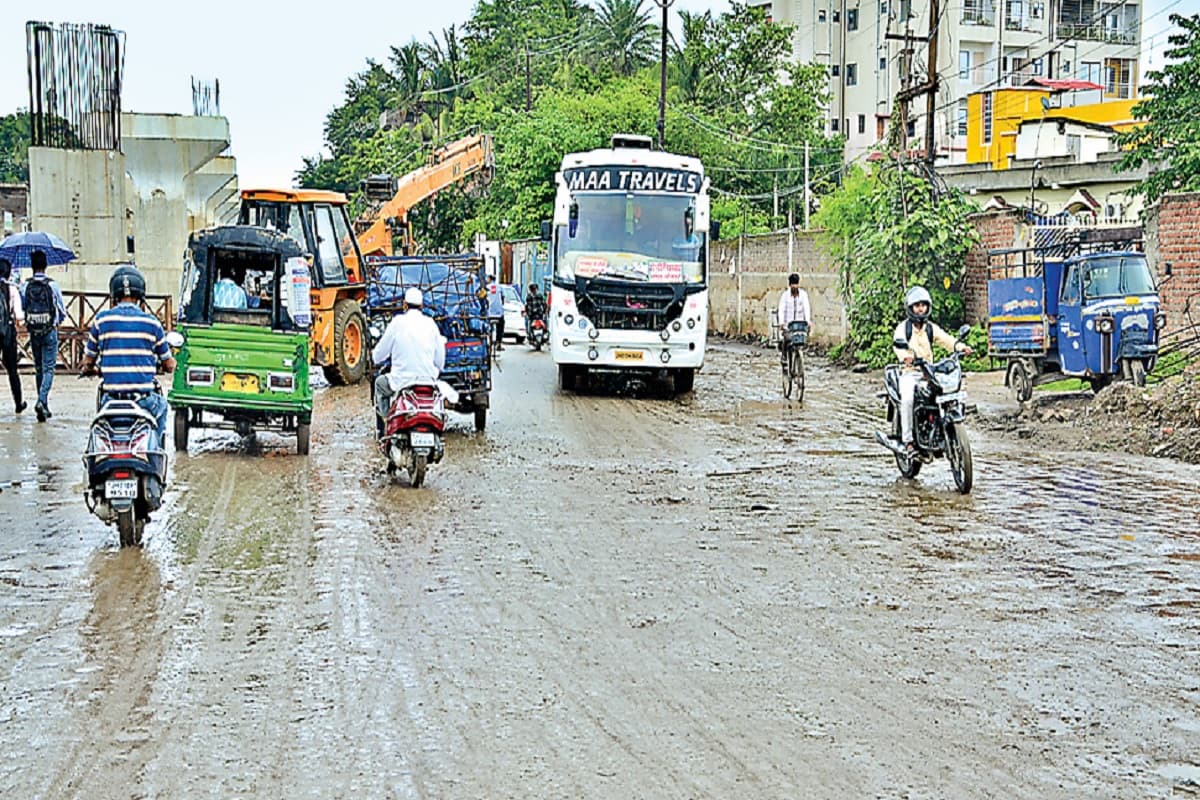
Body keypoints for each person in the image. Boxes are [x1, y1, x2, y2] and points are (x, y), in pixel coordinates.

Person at [80, 265, 176, 442]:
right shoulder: (152, 323)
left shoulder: (101, 320)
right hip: (144, 402)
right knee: (162, 406)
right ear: (140, 295)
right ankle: (156, 451)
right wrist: (171, 362)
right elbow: (169, 365)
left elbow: (88, 361)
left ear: (114, 294)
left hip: (110, 401)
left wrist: (89, 369)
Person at [892, 286, 972, 456]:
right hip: (910, 372)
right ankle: (908, 442)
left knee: (947, 394)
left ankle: (943, 430)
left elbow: (946, 339)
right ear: (910, 308)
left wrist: (960, 346)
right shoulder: (903, 328)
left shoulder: (930, 328)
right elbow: (898, 345)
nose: (920, 308)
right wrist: (905, 356)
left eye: (923, 305)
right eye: (917, 305)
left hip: (928, 372)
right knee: (907, 399)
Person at [372, 287, 446, 436]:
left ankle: (385, 426)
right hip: (428, 380)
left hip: (401, 381)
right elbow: (440, 361)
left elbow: (379, 355)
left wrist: (374, 356)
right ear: (422, 306)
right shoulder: (431, 324)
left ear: (404, 305)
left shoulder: (397, 323)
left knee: (379, 385)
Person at [22, 249, 69, 421]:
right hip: (50, 330)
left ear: (32, 266)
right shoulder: (52, 285)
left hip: (33, 331)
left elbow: (23, 307)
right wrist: (58, 320)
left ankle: (44, 405)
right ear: (46, 265)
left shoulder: (25, 285)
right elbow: (62, 310)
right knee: (49, 368)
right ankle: (42, 401)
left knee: (39, 368)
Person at [0, 257, 26, 415]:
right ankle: (18, 403)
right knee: (12, 371)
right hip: (8, 332)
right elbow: (19, 316)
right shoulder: (12, 289)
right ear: (9, 273)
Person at [777, 273, 812, 366]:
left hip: (799, 325)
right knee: (787, 339)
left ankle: (798, 363)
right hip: (788, 325)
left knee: (801, 341)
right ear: (790, 285)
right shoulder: (785, 296)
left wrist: (808, 321)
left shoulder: (803, 295)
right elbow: (781, 309)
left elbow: (806, 308)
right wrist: (781, 323)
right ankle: (784, 356)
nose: (795, 286)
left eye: (796, 284)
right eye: (793, 284)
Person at [486, 279, 505, 351]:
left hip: (489, 312)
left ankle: (488, 341)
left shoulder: (487, 287)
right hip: (499, 313)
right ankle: (499, 343)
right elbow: (502, 298)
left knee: (487, 326)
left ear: (490, 279)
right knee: (501, 326)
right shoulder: (500, 287)